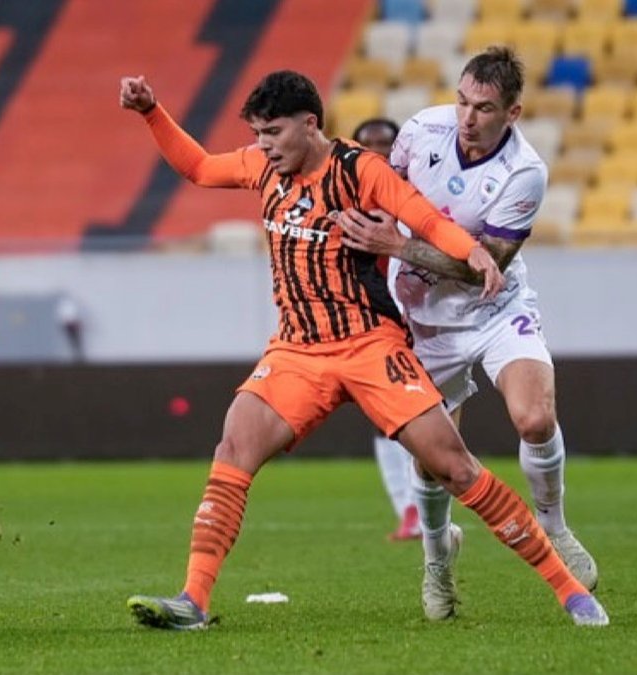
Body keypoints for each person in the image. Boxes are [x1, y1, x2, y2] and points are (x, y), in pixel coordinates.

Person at [119, 69, 609, 630]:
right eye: (257, 134)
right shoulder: (261, 167)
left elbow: (424, 219)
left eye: (273, 132)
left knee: (453, 466)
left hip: (370, 344)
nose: (263, 145)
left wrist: (472, 252)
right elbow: (201, 167)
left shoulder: (360, 170)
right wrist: (151, 111)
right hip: (298, 350)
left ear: (310, 124)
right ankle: (194, 600)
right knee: (233, 448)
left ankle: (570, 591)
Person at [336, 47, 598, 621]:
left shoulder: (525, 173)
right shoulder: (420, 131)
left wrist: (397, 245)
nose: (467, 118)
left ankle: (554, 526)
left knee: (535, 418)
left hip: (495, 309)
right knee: (433, 458)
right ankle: (438, 559)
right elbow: (382, 196)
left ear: (513, 112)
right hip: (423, 318)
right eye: (462, 102)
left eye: (483, 108)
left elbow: (486, 266)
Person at [352, 117, 420, 541]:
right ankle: (408, 509)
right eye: (367, 145)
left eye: (385, 144)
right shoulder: (344, 199)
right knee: (384, 414)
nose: (376, 152)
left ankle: (427, 501)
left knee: (426, 410)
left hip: (425, 313)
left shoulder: (415, 197)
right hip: (375, 319)